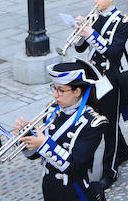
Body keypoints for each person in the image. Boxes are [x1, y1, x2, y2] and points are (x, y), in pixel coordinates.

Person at [18, 59, 109, 201]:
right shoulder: (52, 110)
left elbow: (76, 167)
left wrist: (43, 144)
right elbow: (35, 155)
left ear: (77, 91)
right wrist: (25, 138)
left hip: (74, 190)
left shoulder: (93, 123)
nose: (55, 95)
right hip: (49, 186)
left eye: (61, 90)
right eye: (54, 88)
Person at [73, 0, 128, 189]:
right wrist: (80, 31)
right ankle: (122, 152)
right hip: (91, 76)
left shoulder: (122, 22)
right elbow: (80, 48)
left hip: (109, 78)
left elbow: (114, 53)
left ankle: (111, 170)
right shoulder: (94, 16)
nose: (95, 1)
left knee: (109, 126)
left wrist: (92, 35)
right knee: (96, 120)